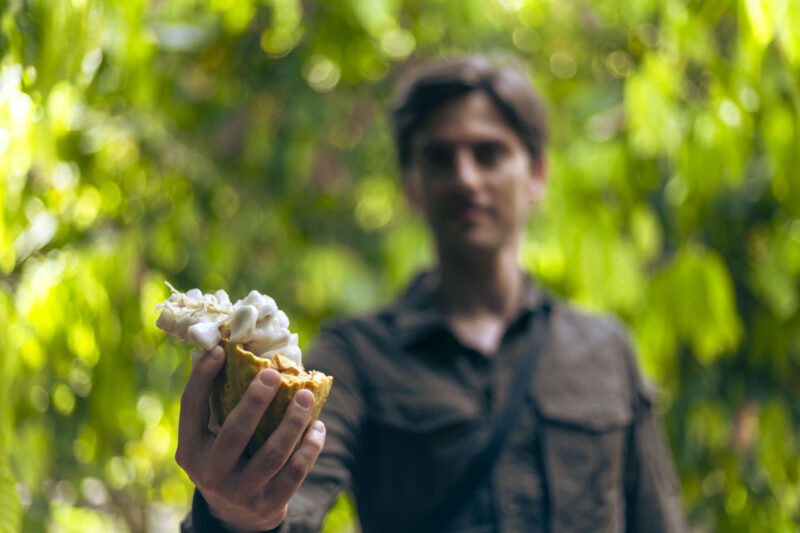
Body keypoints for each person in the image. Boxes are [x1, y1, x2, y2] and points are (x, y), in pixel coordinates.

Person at [178, 55, 687, 532]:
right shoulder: (355, 357)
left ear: (536, 173)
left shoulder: (605, 351)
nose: (465, 178)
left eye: (489, 153)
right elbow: (293, 501)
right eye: (440, 159)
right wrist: (235, 514)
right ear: (411, 184)